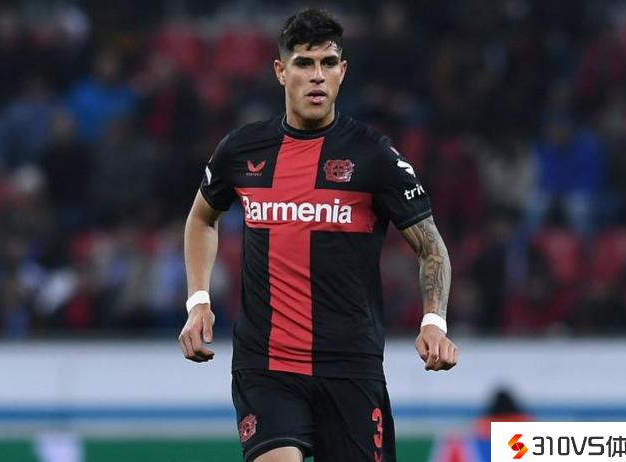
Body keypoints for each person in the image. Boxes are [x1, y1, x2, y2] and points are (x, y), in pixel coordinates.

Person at [178, 9, 457, 462]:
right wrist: (198, 302)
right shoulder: (242, 150)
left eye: (328, 63)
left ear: (342, 71)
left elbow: (432, 248)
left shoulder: (374, 157)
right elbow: (201, 219)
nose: (317, 76)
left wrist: (434, 322)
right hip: (265, 364)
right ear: (280, 70)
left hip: (350, 366)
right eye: (304, 63)